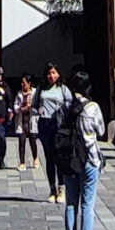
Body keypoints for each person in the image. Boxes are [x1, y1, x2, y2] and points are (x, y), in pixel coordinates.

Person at [61, 69, 105, 230]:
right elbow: (101, 131)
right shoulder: (92, 108)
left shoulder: (65, 107)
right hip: (88, 158)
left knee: (71, 203)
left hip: (69, 158)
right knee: (88, 203)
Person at [35, 63, 71, 201]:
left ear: (59, 74)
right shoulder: (41, 88)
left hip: (59, 124)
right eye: (49, 73)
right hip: (45, 123)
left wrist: (62, 109)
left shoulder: (63, 89)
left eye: (54, 73)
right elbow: (34, 105)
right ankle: (52, 189)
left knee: (59, 157)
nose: (52, 76)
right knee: (49, 157)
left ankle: (62, 188)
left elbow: (70, 103)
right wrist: (37, 110)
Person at [11, 77, 37, 167]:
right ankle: (22, 162)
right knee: (21, 142)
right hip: (22, 120)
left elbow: (38, 106)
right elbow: (15, 105)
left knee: (32, 141)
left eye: (24, 83)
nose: (22, 85)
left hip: (31, 119)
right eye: (21, 83)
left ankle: (35, 157)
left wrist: (31, 107)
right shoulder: (19, 94)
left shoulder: (35, 93)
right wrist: (20, 109)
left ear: (29, 83)